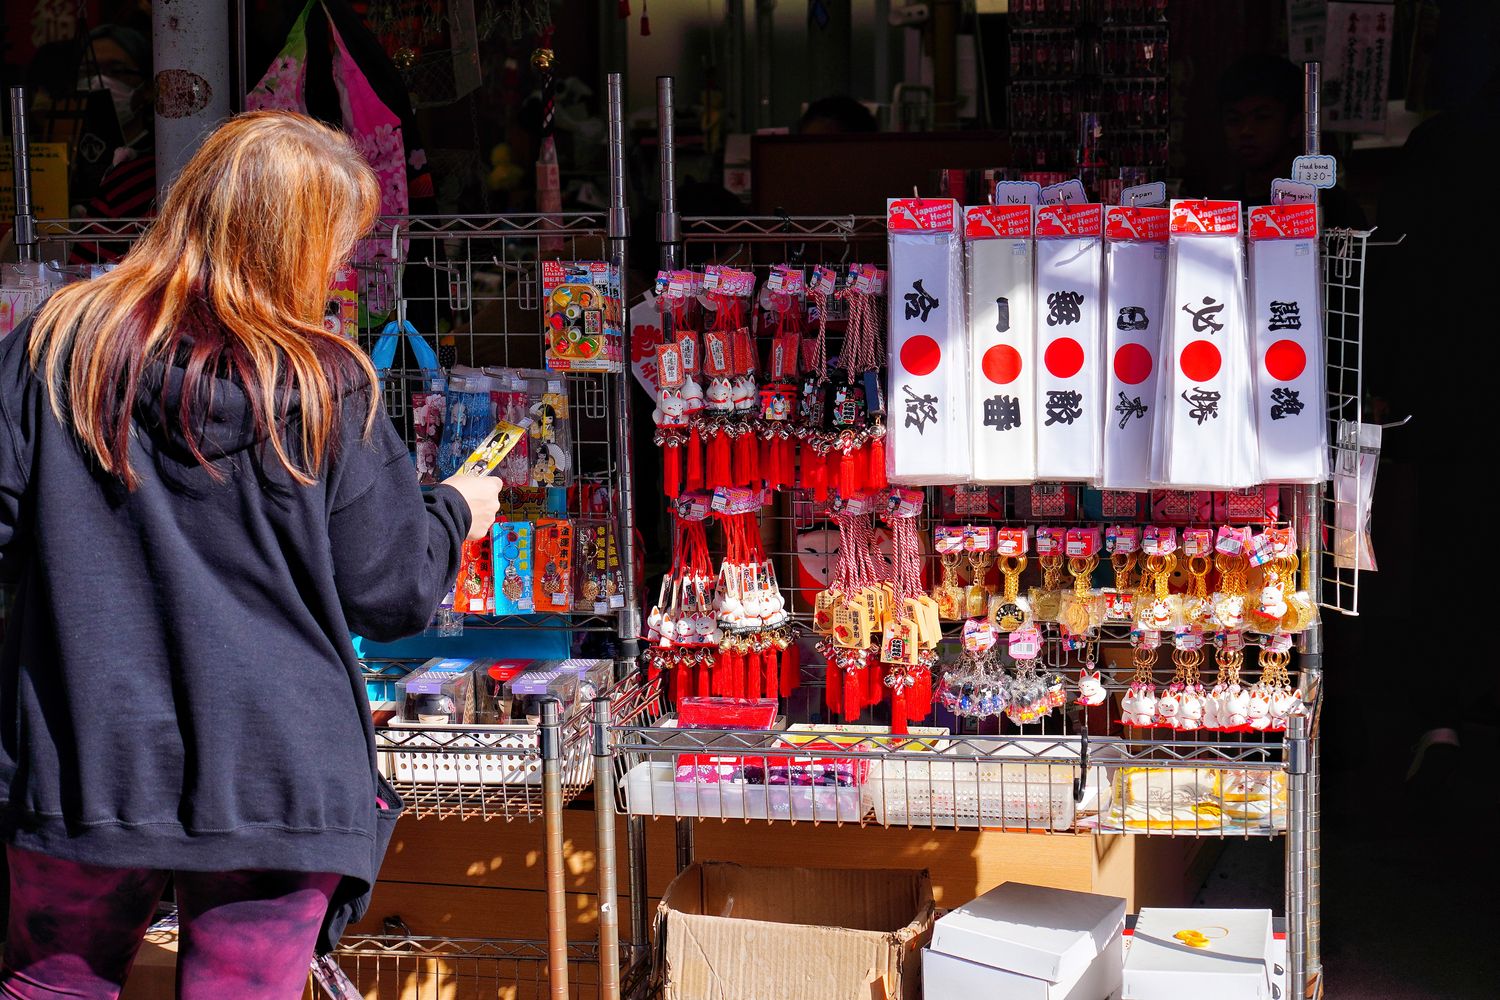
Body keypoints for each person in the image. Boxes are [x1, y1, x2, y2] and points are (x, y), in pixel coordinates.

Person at [0, 111, 501, 998]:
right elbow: (390, 593)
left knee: (52, 992)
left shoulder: (54, 348)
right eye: (338, 245)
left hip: (84, 753)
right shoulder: (324, 383)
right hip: (278, 771)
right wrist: (456, 510)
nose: (343, 267)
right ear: (299, 246)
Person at [1207, 54, 1365, 228]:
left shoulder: (1332, 209)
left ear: (1294, 124)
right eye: (1234, 120)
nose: (1246, 131)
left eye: (1261, 117)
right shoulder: (1217, 212)